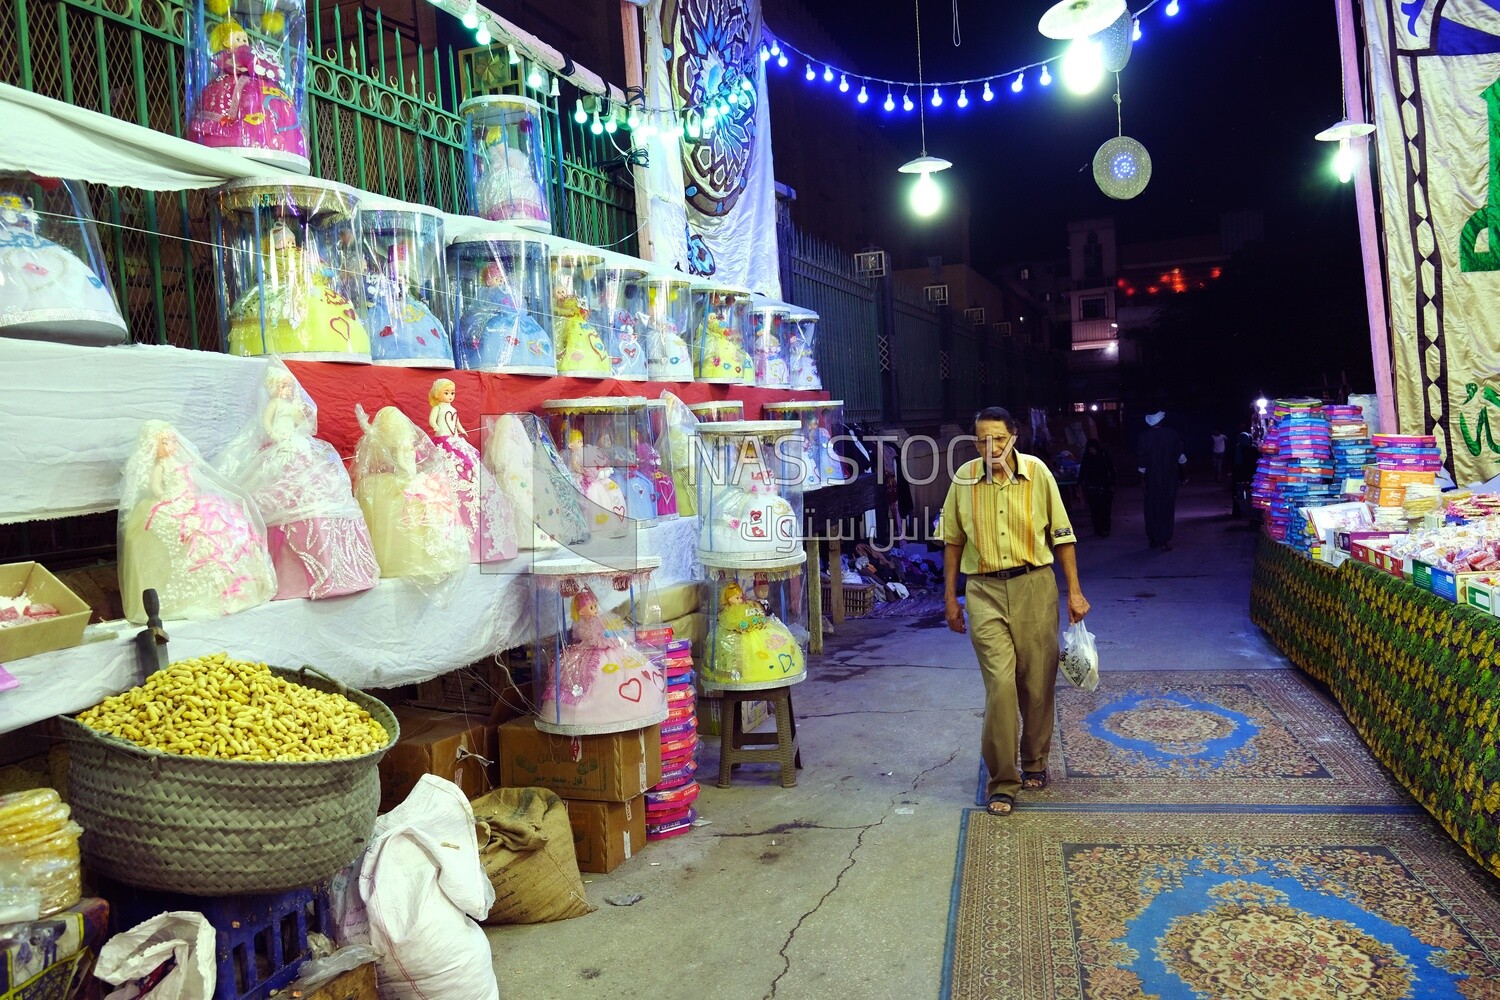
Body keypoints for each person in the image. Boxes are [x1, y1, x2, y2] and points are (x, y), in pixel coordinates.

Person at [941, 407, 1090, 817]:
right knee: (1002, 685)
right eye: (982, 441)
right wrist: (950, 598)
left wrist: (1074, 592)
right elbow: (952, 541)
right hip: (983, 591)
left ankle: (1035, 762)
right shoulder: (964, 479)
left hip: (1034, 587)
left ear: (1014, 437)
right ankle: (1003, 780)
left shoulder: (1038, 473)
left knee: (1037, 684)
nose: (990, 448)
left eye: (998, 439)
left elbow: (1062, 535)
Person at [1137, 411, 1187, 550]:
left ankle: (1153, 537)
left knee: (1151, 507)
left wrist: (1142, 480)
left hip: (1151, 478)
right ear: (1161, 422)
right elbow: (1181, 458)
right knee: (1167, 507)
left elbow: (1142, 462)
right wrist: (1185, 474)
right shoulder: (1172, 434)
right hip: (1169, 477)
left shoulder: (1144, 436)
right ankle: (1164, 539)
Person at [1079, 439, 1116, 537]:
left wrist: (1113, 484)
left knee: (1105, 510)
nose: (1092, 452)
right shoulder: (1087, 457)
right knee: (1094, 510)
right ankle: (1097, 529)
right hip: (1092, 487)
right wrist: (1080, 483)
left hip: (1105, 487)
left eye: (1093, 449)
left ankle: (1105, 529)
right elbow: (1083, 470)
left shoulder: (1104, 455)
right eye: (1090, 450)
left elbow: (1111, 469)